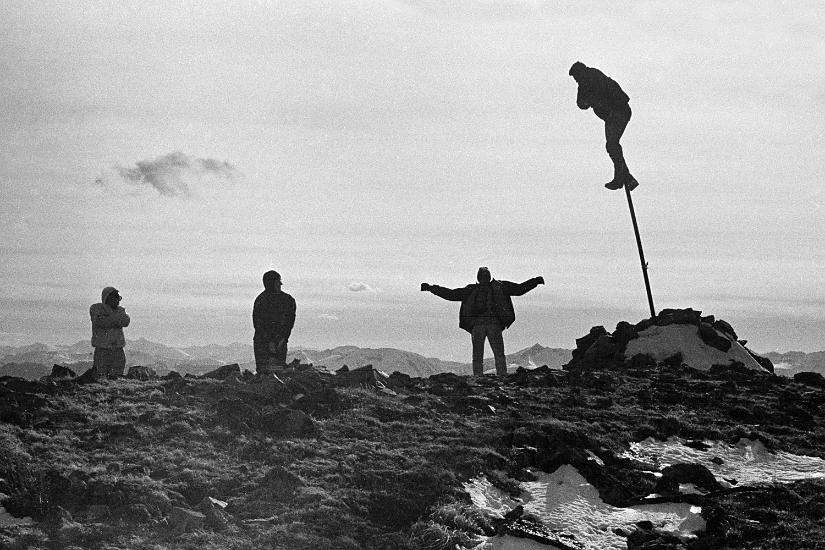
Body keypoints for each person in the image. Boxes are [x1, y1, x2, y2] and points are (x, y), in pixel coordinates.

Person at [421, 267, 544, 377]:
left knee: (477, 356)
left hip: (477, 326)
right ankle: (502, 376)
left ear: (478, 278)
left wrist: (431, 288)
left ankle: (478, 377)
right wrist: (535, 281)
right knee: (499, 354)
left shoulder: (471, 290)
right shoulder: (500, 286)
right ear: (489, 276)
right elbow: (519, 289)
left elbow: (451, 294)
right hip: (494, 325)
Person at [569, 61, 638, 191]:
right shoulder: (583, 84)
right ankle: (627, 178)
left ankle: (623, 178)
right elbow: (581, 104)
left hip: (619, 112)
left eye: (576, 77)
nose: (576, 80)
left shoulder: (593, 76)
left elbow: (609, 91)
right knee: (612, 146)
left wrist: (598, 102)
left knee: (612, 145)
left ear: (581, 72)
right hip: (612, 115)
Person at [253, 270, 296, 372]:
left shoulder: (261, 300)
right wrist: (280, 339)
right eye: (278, 281)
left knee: (269, 371)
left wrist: (282, 338)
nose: (281, 284)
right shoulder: (287, 300)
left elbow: (258, 324)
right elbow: (259, 325)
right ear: (272, 283)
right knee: (272, 371)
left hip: (268, 341)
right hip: (268, 342)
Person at [90, 286, 130, 378]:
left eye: (118, 297)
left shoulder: (121, 310)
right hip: (102, 348)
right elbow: (101, 322)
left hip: (117, 348)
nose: (118, 300)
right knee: (101, 373)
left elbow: (125, 321)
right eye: (115, 297)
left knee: (118, 373)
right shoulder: (96, 308)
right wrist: (116, 318)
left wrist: (111, 318)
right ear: (107, 297)